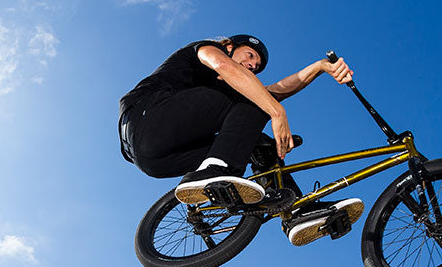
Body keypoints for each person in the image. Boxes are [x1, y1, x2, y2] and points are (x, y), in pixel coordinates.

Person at [119, 35, 365, 246]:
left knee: (259, 142)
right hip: (147, 118)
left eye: (256, 66)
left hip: (158, 161)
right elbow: (226, 67)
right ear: (229, 46)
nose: (251, 65)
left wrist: (320, 67)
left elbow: (277, 89)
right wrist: (276, 112)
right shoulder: (205, 50)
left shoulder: (229, 89)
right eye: (249, 56)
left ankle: (298, 212)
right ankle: (214, 170)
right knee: (254, 95)